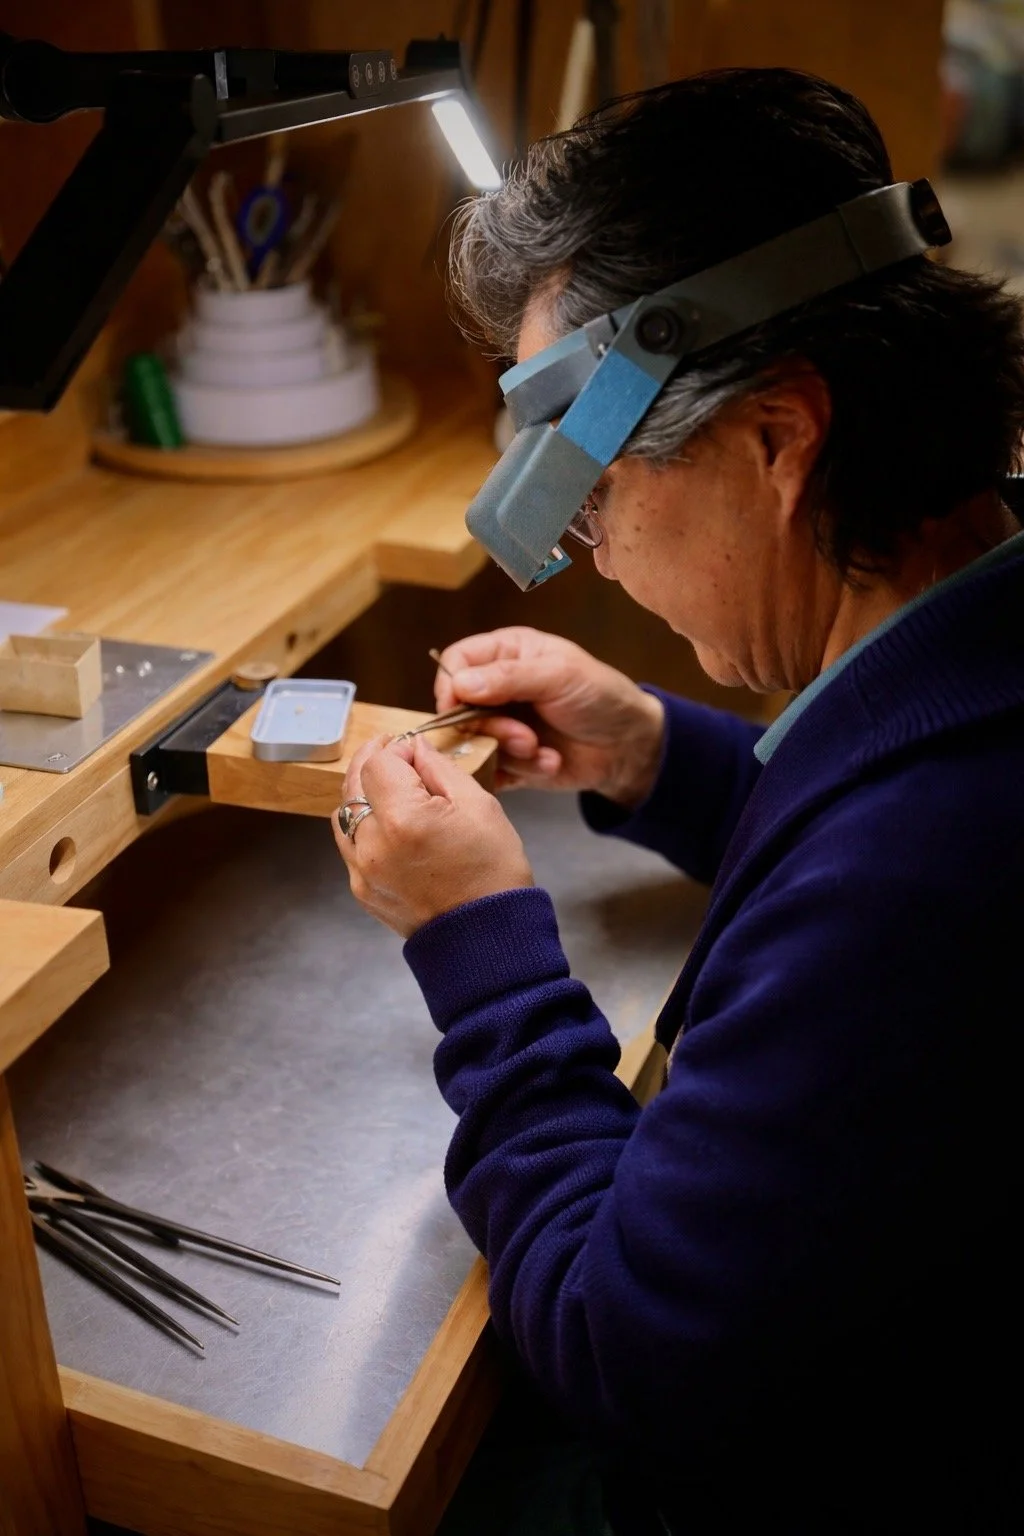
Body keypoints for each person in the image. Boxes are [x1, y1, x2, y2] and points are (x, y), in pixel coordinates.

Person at [332, 69, 1024, 1532]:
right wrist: (654, 749)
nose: (585, 551)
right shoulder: (980, 647)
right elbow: (860, 812)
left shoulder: (932, 872)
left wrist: (482, 944)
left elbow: (624, 1348)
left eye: (589, 492)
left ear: (779, 441)